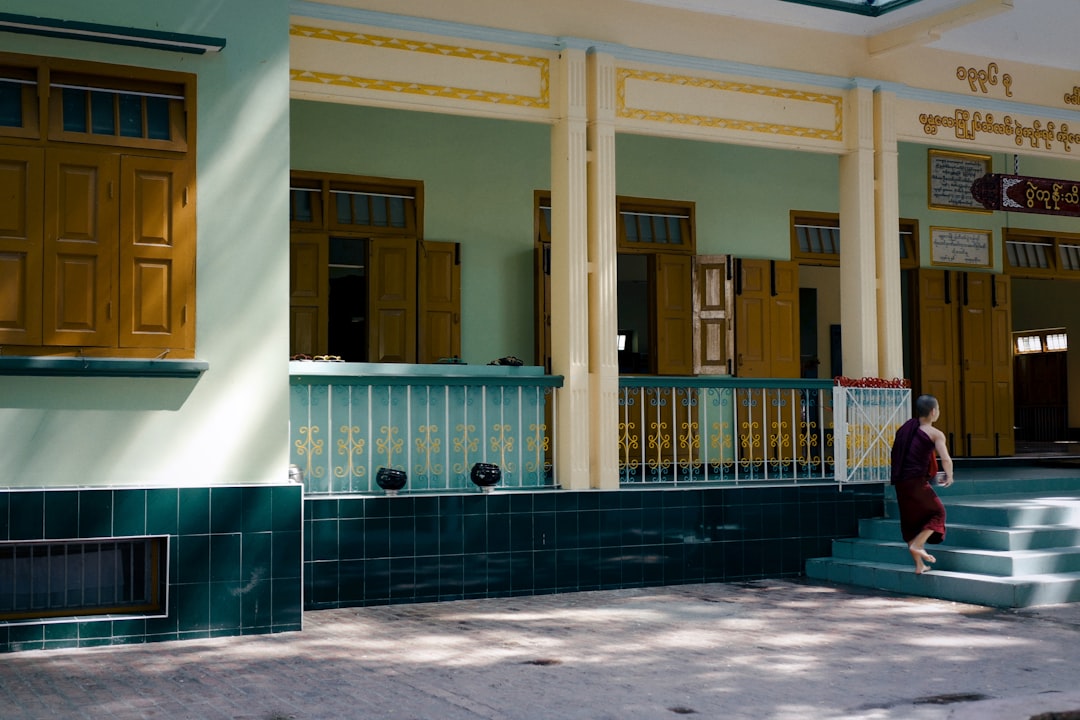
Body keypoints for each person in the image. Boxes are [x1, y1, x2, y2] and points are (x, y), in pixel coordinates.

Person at [889, 394, 954, 574]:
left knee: (911, 523)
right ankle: (918, 545)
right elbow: (946, 459)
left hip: (901, 482)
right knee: (938, 512)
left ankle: (919, 565)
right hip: (917, 482)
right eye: (938, 409)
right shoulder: (935, 433)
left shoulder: (905, 429)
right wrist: (949, 476)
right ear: (933, 412)